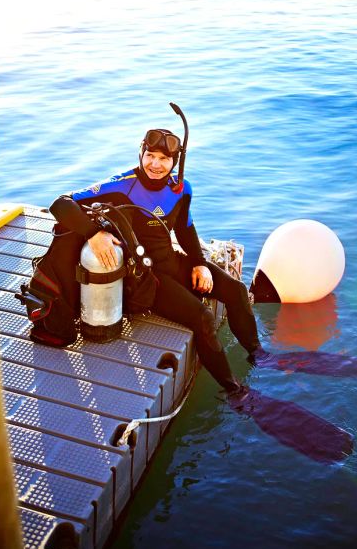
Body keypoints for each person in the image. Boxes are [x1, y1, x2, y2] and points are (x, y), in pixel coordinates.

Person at [44, 120, 262, 395]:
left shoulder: (181, 188)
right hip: (146, 278)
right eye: (150, 156)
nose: (155, 165)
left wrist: (198, 263)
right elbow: (60, 203)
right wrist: (93, 233)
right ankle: (234, 391)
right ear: (141, 153)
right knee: (203, 318)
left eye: (164, 159)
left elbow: (185, 228)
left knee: (236, 290)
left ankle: (258, 355)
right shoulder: (123, 185)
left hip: (173, 261)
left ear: (175, 161)